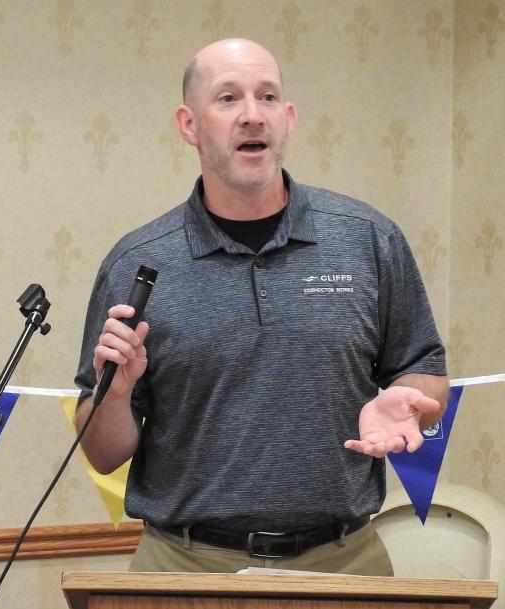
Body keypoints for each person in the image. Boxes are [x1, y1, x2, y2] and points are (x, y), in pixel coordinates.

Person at [73, 38, 448, 575]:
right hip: (183, 564)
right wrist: (120, 392)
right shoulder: (138, 263)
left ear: (288, 118)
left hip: (344, 562)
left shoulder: (367, 240)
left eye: (267, 97)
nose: (253, 115)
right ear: (188, 124)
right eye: (228, 99)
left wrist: (411, 398)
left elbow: (427, 369)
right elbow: (103, 453)